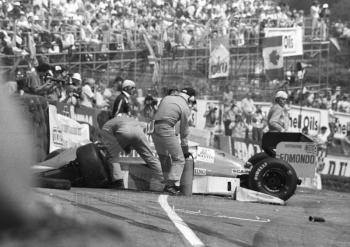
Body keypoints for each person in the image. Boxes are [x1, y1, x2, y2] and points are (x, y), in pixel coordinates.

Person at [152, 87, 196, 195]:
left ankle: (165, 183)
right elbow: (184, 131)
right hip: (166, 128)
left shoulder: (167, 98)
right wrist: (185, 149)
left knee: (164, 157)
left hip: (153, 128)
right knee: (179, 159)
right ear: (191, 98)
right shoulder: (185, 107)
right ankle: (170, 186)